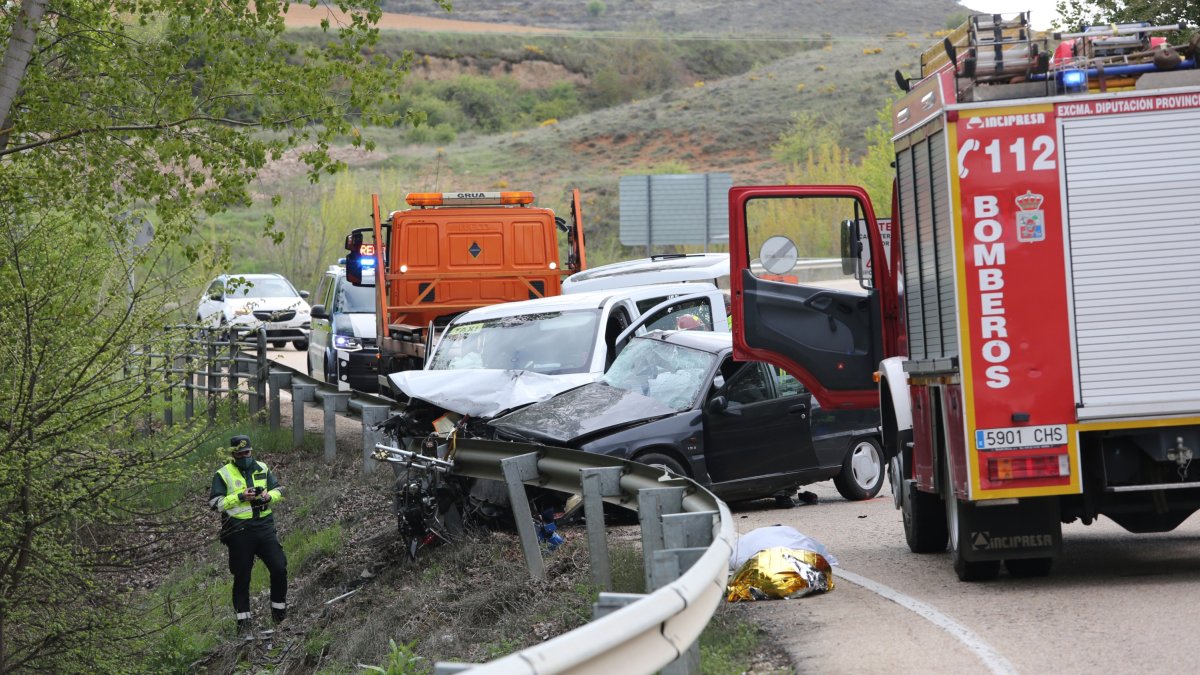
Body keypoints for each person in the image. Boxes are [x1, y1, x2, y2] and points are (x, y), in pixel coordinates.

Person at [209, 434, 288, 638]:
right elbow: (215, 503)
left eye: (248, 453)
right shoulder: (223, 473)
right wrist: (241, 497)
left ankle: (279, 615)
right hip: (239, 531)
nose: (245, 456)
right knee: (242, 576)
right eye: (240, 453)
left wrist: (269, 496)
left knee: (279, 567)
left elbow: (279, 489)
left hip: (264, 527)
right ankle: (243, 624)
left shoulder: (262, 467)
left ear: (252, 451)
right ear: (233, 454)